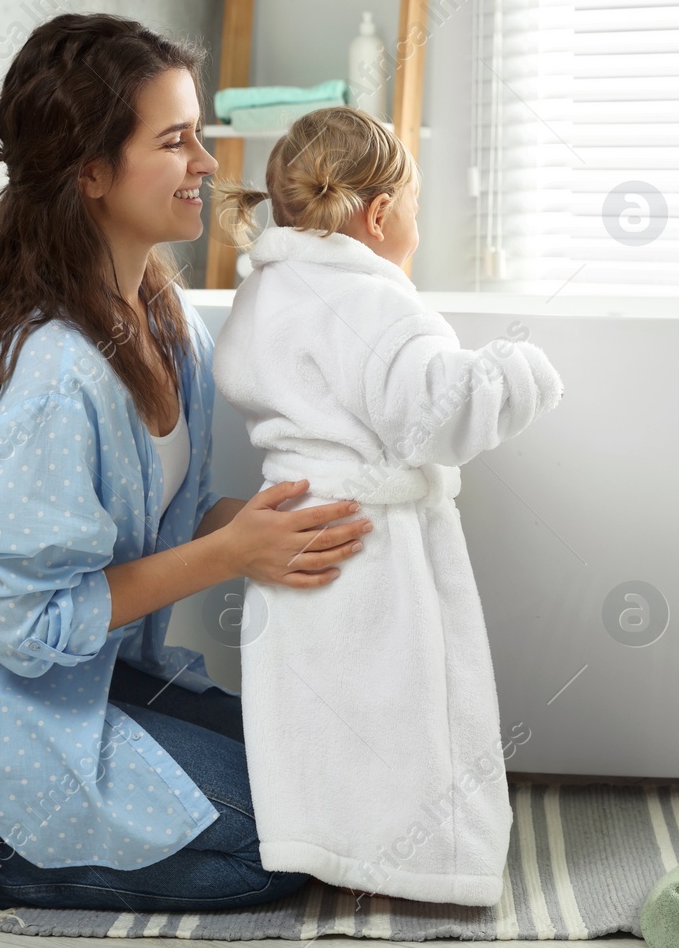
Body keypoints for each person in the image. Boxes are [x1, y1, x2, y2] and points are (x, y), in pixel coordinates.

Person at [0, 13, 376, 913]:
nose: (208, 164)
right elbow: (20, 630)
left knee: (327, 789)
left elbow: (170, 520)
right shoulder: (50, 376)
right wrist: (232, 553)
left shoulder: (167, 318)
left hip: (89, 679)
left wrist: (281, 519)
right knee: (274, 852)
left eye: (201, 137)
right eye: (175, 141)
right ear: (92, 174)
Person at [210, 107, 565, 905]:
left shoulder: (266, 293)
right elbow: (436, 415)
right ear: (378, 214)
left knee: (317, 714)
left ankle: (328, 847)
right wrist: (519, 369)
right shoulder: (377, 305)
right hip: (373, 548)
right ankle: (422, 866)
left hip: (293, 539)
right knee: (406, 716)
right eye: (413, 207)